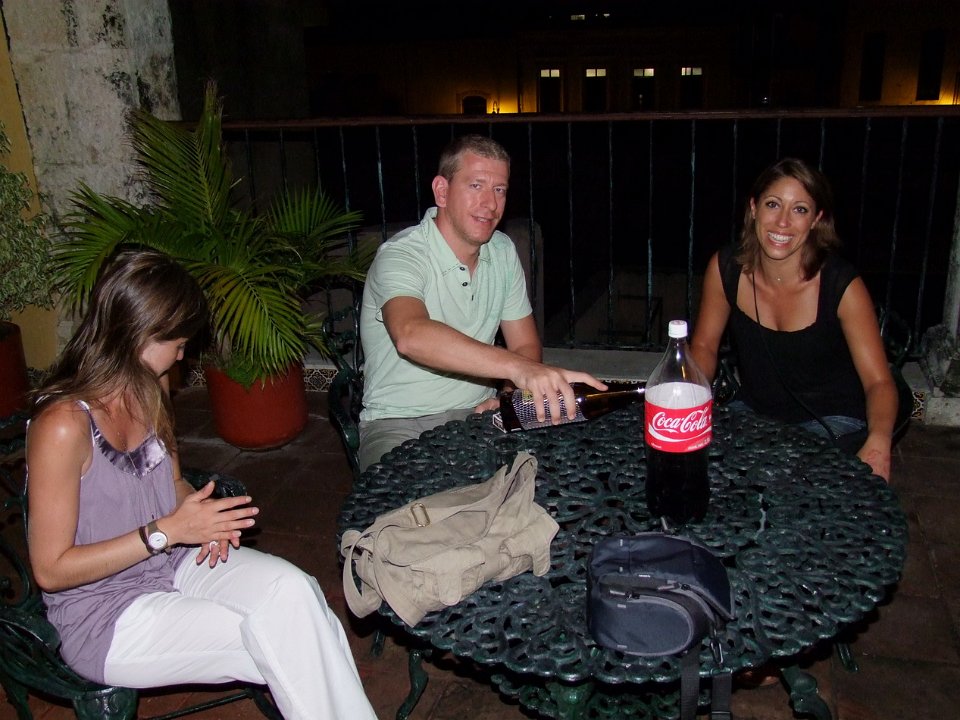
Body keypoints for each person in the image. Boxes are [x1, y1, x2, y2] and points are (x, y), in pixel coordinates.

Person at [26, 250, 377, 720]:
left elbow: (171, 483)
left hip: (171, 562)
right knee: (291, 636)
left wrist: (203, 517)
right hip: (103, 615)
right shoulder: (63, 425)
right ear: (139, 331)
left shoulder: (152, 385)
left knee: (299, 596)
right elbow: (50, 570)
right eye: (176, 342)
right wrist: (166, 531)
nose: (182, 355)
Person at [358, 134, 604, 470]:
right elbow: (411, 334)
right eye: (476, 186)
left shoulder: (502, 251)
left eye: (499, 189)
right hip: (399, 421)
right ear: (442, 191)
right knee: (407, 501)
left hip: (479, 414)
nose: (490, 203)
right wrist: (519, 370)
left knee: (564, 471)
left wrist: (507, 395)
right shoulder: (401, 255)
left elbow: (525, 343)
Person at [690, 157, 898, 481]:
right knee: (699, 467)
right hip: (755, 413)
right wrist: (689, 396)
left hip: (832, 419)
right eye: (773, 204)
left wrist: (879, 441)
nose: (783, 222)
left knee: (781, 480)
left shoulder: (841, 285)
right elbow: (704, 345)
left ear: (816, 220)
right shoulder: (726, 268)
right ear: (754, 208)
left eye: (799, 209)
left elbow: (879, 382)